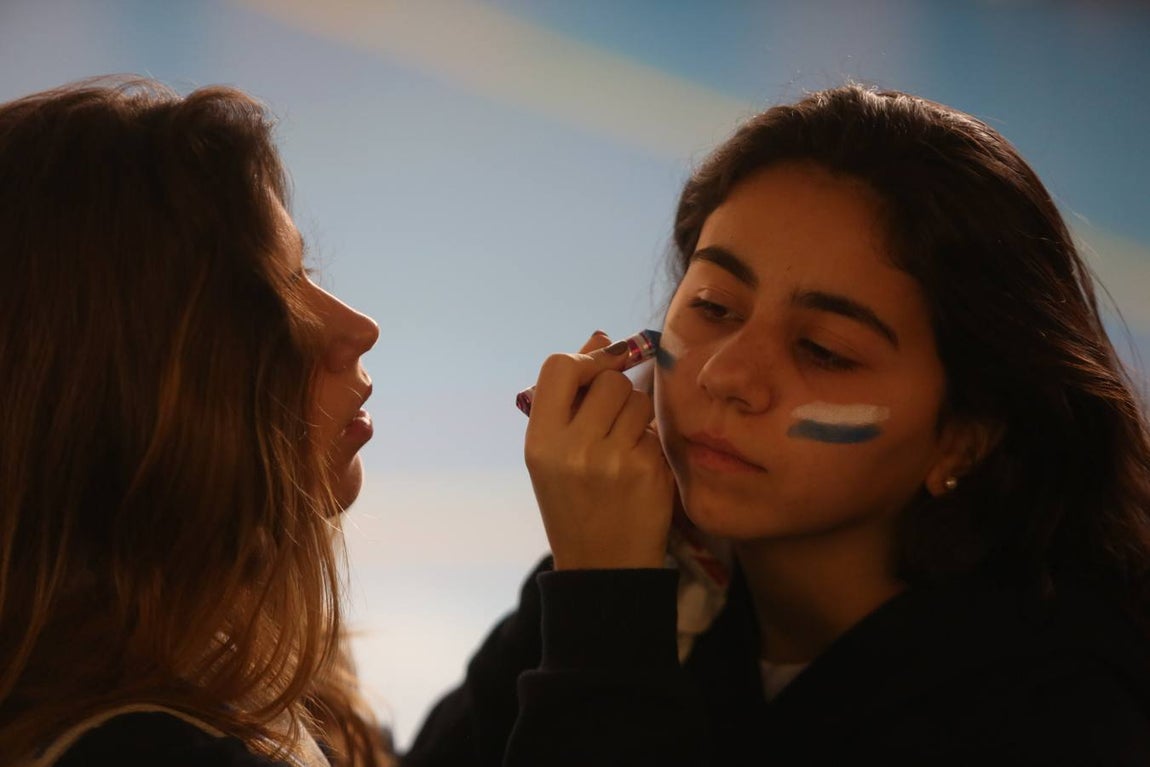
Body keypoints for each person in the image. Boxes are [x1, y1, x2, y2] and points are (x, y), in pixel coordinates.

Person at [404, 84, 1150, 765]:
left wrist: (604, 617)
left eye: (823, 351)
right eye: (716, 307)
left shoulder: (1057, 712)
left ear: (966, 435)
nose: (725, 374)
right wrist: (601, 589)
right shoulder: (651, 567)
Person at [0, 77, 392, 766]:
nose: (358, 328)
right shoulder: (144, 749)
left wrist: (582, 571)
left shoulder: (216, 646)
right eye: (279, 299)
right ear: (137, 389)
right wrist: (594, 604)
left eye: (312, 272)